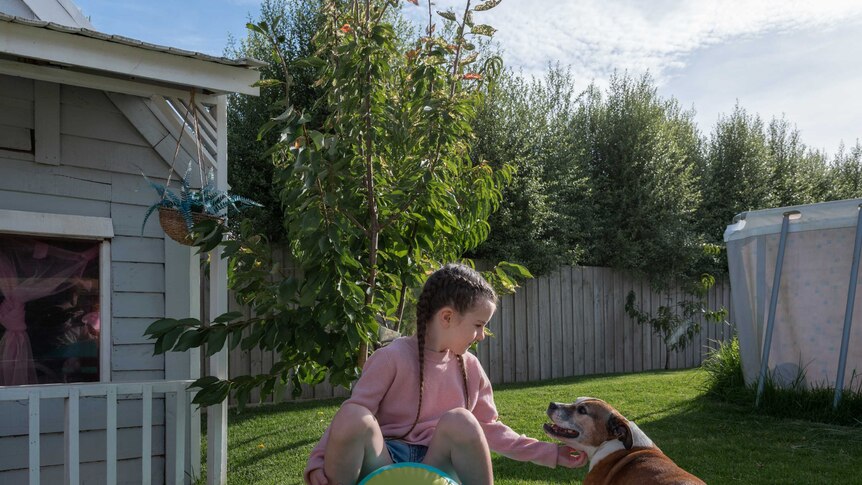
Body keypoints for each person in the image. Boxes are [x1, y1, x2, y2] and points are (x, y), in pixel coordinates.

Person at [304, 263, 586, 485]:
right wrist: (318, 460)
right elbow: (350, 418)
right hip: (383, 463)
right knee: (355, 413)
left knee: (462, 420)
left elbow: (489, 429)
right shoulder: (390, 358)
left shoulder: (470, 367)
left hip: (436, 464)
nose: (482, 335)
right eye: (478, 325)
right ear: (447, 317)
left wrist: (550, 453)